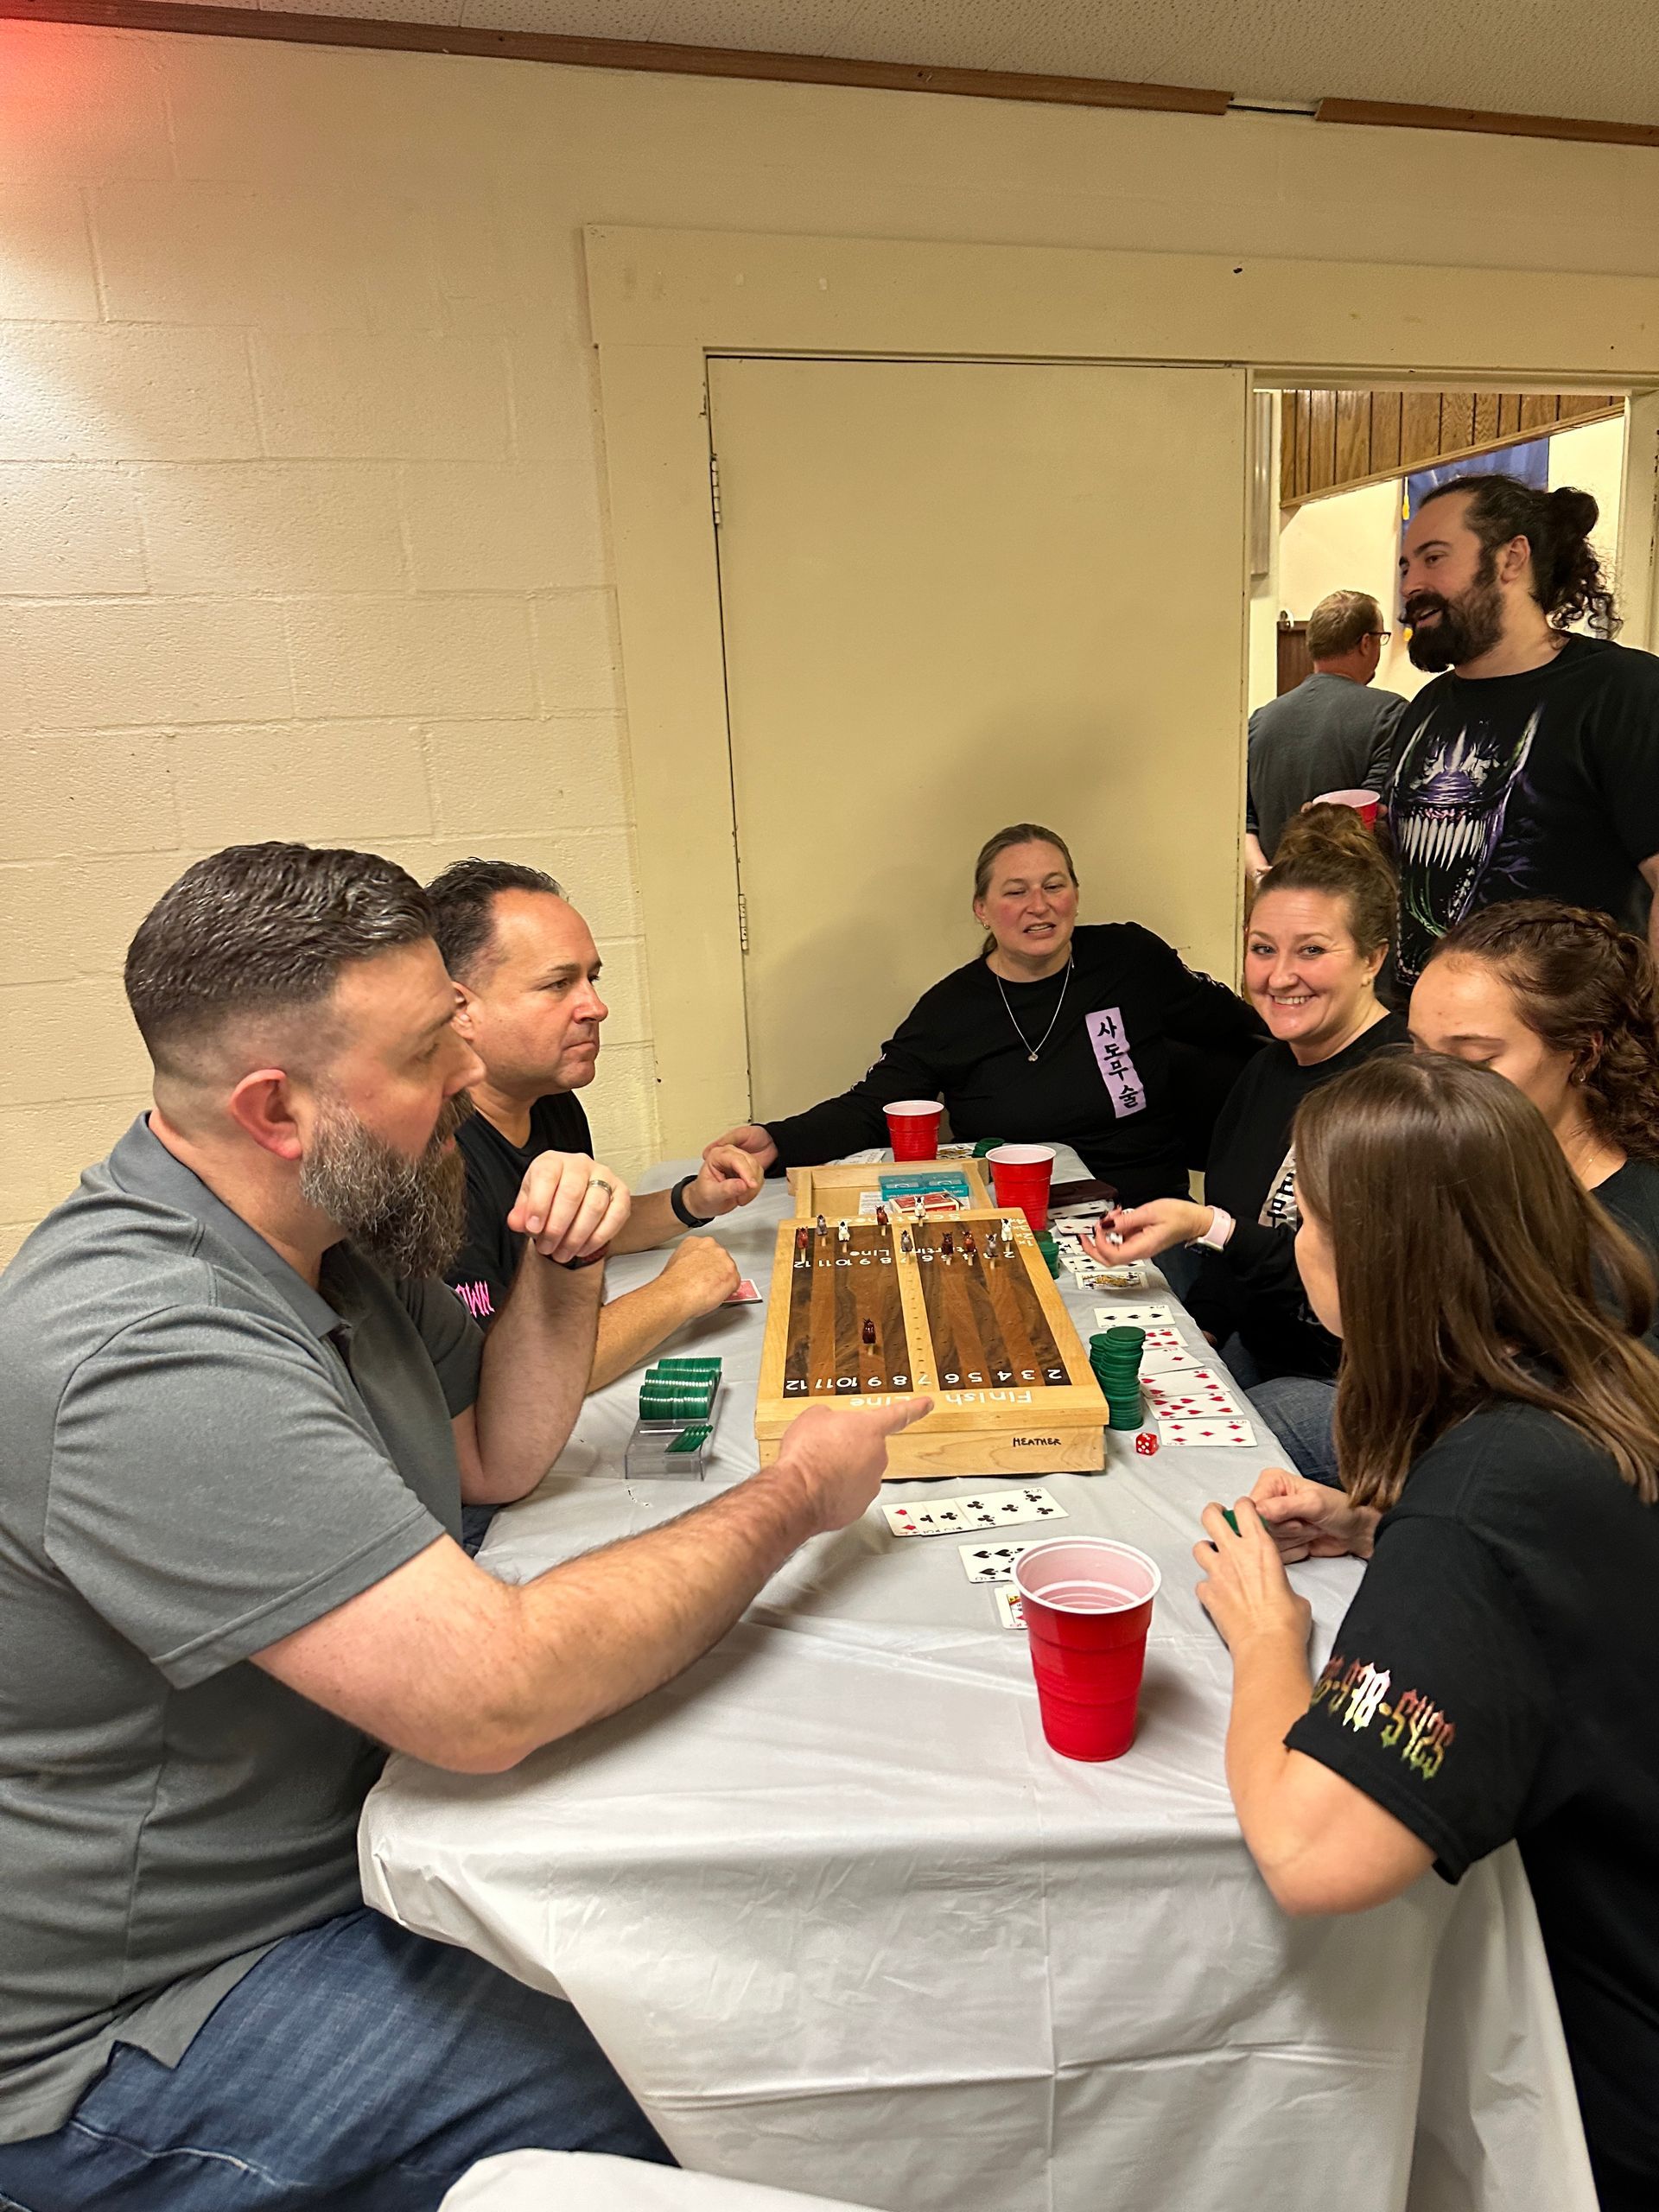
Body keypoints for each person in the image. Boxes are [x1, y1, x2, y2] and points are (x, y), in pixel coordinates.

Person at [0, 842, 928, 2212]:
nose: (463, 1085)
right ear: (276, 1107)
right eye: (433, 1051)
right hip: (133, 2031)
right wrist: (798, 1495)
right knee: (681, 2083)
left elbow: (492, 1454)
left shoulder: (331, 1233)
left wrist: (563, 1267)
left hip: (352, 1851)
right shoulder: (144, 1347)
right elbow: (485, 1698)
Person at [1192, 1052, 1659, 2212]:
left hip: (1611, 2077)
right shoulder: (1599, 1375)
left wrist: (1265, 1636)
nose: (1293, 1234)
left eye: (1310, 1215)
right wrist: (1372, 1527)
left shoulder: (1479, 1499)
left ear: (1373, 1261)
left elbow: (1315, 1857)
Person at [1081, 806, 1406, 1473]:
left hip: (1356, 1384)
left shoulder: (1403, 1087)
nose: (1279, 976)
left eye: (1312, 950)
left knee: (1182, 1456)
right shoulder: (1265, 1068)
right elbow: (1239, 1225)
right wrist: (1202, 1323)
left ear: (1373, 957)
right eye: (1264, 949)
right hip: (1262, 1342)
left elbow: (1361, 1292)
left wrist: (1210, 1226)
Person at [710, 823, 1267, 1211]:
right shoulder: (952, 1009)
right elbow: (874, 1107)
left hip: (1149, 1213)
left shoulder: (1130, 959)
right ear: (982, 909)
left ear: (1076, 894)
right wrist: (776, 1140)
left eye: (1055, 886)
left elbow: (1230, 1025)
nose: (1039, 905)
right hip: (1019, 1221)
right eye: (1015, 891)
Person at [427, 859, 763, 1383]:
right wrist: (676, 1293)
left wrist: (692, 1201)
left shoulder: (549, 1098)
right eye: (558, 984)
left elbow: (574, 1233)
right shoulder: (430, 1154)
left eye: (592, 978)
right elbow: (503, 1380)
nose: (597, 1007)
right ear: (459, 1008)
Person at [1380, 472, 1659, 990]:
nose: (1410, 585)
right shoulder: (1427, 707)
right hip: (1422, 1041)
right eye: (1406, 564)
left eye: (1433, 558)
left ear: (1512, 558)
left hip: (1565, 1050)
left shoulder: (1622, 691)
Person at [1408, 899, 1659, 1265]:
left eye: (1475, 1059)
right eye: (1418, 1048)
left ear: (1583, 1053)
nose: (1425, 1084)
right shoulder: (1419, 1169)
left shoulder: (1636, 1238)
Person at [1245, 589, 1404, 876]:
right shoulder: (1390, 714)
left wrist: (1262, 876)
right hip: (1346, 901)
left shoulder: (1259, 720)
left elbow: (1244, 821)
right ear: (1366, 643)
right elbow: (1370, 817)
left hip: (1276, 901)